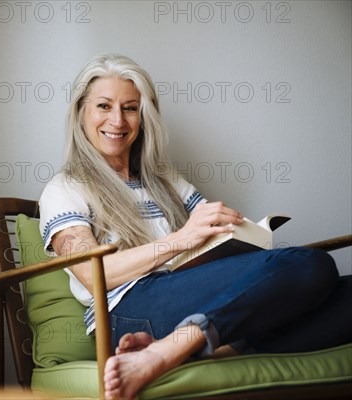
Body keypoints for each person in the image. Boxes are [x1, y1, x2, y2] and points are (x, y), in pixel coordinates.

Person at [38, 54, 352, 400]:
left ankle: (203, 349)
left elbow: (211, 234)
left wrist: (234, 235)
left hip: (186, 294)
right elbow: (90, 272)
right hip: (124, 313)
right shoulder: (65, 187)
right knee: (311, 264)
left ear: (143, 117)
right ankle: (166, 350)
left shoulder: (165, 181)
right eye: (103, 106)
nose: (117, 119)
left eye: (130, 108)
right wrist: (180, 239)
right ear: (81, 112)